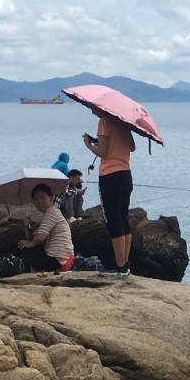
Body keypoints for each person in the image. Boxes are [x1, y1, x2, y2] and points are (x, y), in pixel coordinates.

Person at [83, 113, 135, 276]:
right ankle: (125, 264)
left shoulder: (104, 121)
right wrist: (100, 142)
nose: (92, 111)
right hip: (126, 175)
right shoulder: (124, 122)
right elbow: (131, 147)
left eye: (93, 108)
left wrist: (88, 145)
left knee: (113, 221)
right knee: (123, 217)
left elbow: (104, 153)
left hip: (109, 176)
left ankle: (119, 266)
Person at [18, 183, 76, 273]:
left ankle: (32, 273)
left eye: (42, 198)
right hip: (63, 259)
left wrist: (30, 244)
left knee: (24, 248)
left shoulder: (52, 212)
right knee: (27, 246)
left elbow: (40, 238)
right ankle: (33, 272)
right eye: (35, 199)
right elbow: (33, 239)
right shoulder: (51, 213)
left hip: (58, 260)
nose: (39, 202)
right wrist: (27, 227)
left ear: (51, 198)